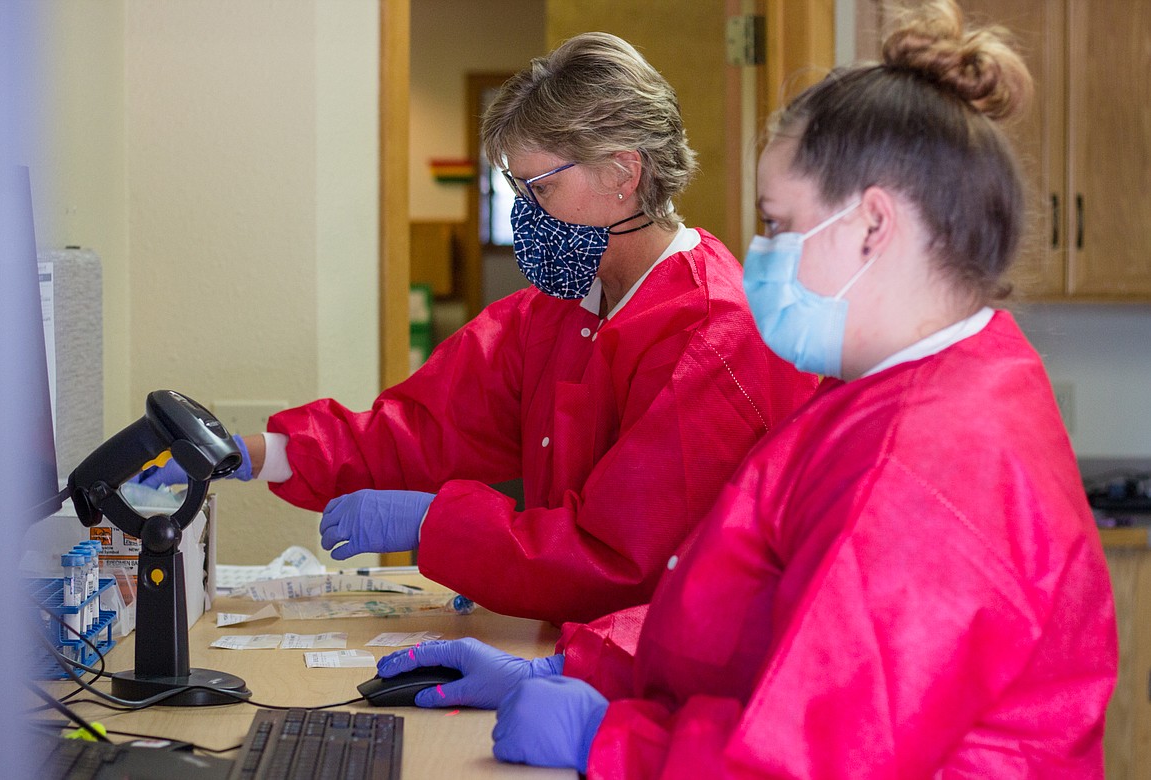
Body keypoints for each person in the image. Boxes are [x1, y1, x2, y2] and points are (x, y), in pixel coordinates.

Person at [373, 2, 1118, 775]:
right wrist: (581, 669)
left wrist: (615, 742)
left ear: (873, 226)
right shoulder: (899, 389)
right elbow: (751, 621)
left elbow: (815, 758)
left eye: (776, 222)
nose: (758, 253)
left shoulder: (924, 464)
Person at [138, 32, 815, 625]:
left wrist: (440, 526)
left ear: (623, 171)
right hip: (579, 647)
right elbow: (427, 430)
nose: (525, 215)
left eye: (540, 189)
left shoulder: (712, 335)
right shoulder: (561, 309)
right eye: (518, 191)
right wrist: (263, 452)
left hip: (658, 682)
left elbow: (621, 559)